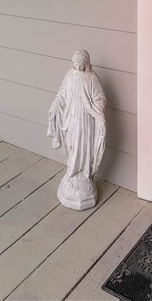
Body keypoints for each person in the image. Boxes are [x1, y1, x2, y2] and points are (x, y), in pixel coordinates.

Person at [47, 49, 107, 210]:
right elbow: (62, 94)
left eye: (81, 64)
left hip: (86, 119)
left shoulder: (92, 78)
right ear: (72, 63)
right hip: (72, 116)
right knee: (72, 143)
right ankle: (72, 173)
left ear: (86, 64)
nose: (78, 67)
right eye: (76, 64)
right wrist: (55, 105)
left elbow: (99, 98)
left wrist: (98, 112)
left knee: (84, 146)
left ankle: (83, 173)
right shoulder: (70, 76)